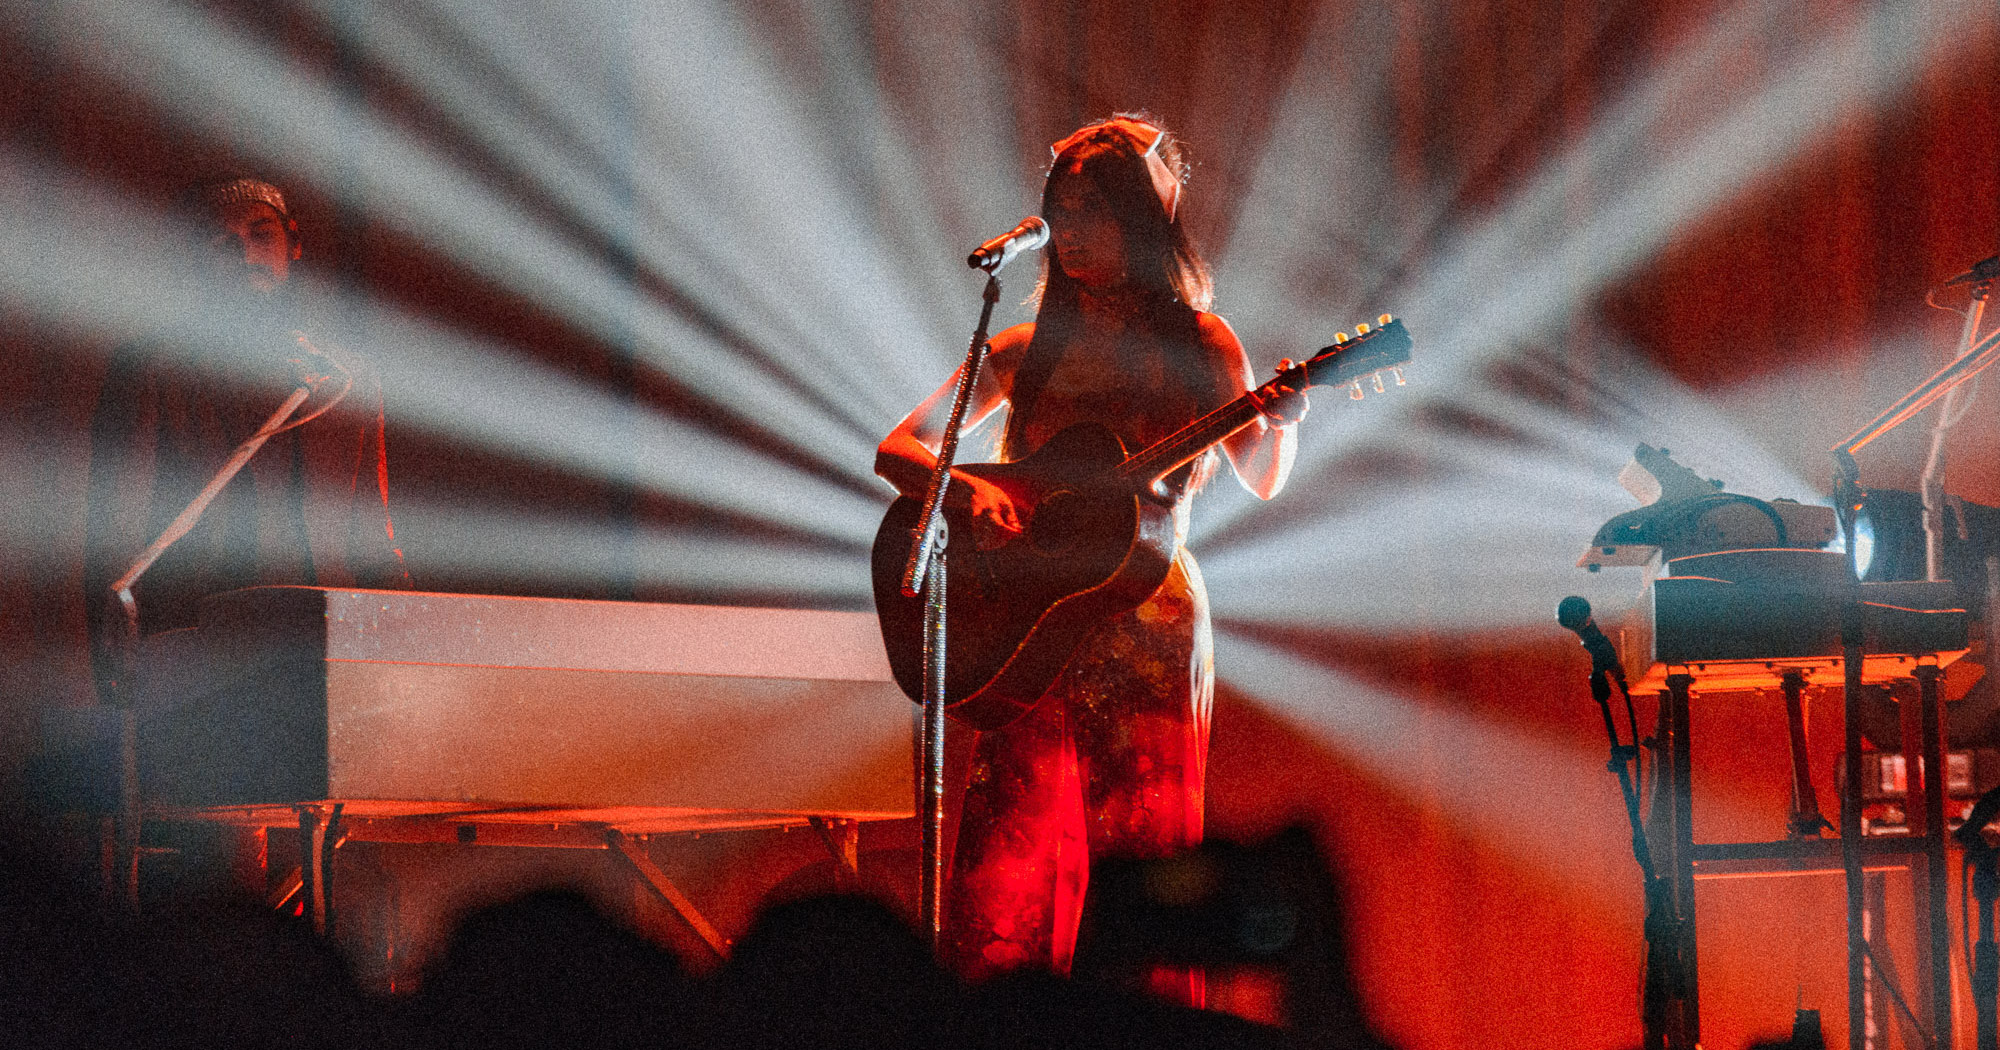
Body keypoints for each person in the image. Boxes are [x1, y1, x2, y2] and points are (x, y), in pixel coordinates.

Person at [874, 116, 1308, 994]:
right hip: (1026, 629)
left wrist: (1286, 423)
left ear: (1141, 222)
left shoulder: (1200, 342)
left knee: (1141, 860)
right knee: (1010, 859)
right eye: (1060, 210)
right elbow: (900, 449)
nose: (1071, 229)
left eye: (1093, 211)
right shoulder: (1023, 350)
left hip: (1146, 621)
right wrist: (970, 492)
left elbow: (1259, 474)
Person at [83, 174, 409, 703]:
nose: (245, 256)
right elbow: (117, 537)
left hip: (327, 652)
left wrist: (413, 644)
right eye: (221, 244)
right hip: (202, 649)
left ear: (294, 243)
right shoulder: (154, 368)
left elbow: (373, 539)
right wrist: (118, 674)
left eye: (261, 236)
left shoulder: (344, 378)